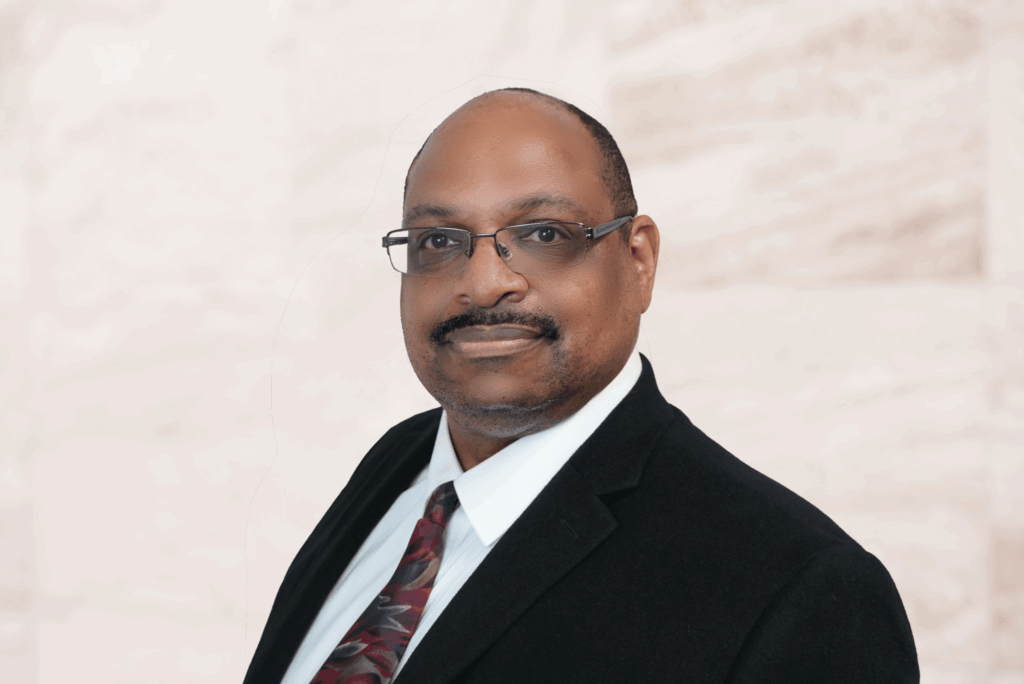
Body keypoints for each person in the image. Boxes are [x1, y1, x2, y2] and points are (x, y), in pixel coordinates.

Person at [244, 88, 919, 684]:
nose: (484, 282)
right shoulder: (400, 466)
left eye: (544, 233)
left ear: (639, 260)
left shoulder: (797, 591)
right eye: (440, 241)